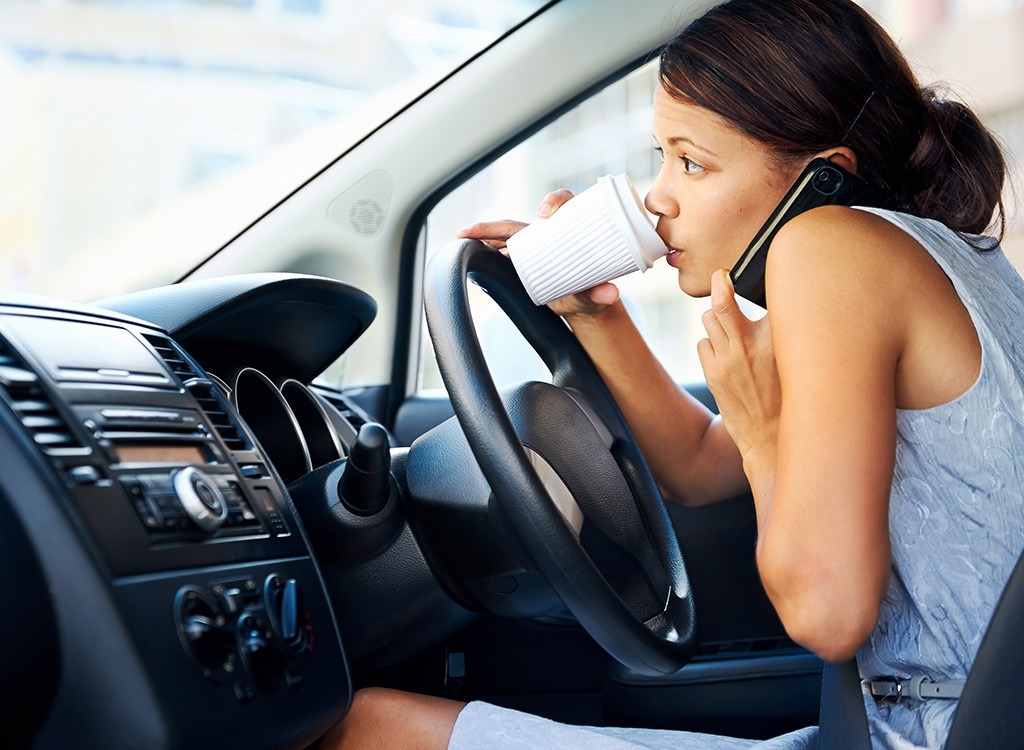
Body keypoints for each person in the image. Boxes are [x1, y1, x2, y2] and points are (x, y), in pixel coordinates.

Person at [322, 0, 1022, 747]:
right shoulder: (930, 258)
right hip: (894, 726)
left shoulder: (827, 249)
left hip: (920, 735)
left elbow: (827, 613)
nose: (658, 195)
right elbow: (698, 466)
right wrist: (596, 313)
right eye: (662, 156)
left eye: (692, 162)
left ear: (821, 178)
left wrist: (764, 437)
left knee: (363, 729)